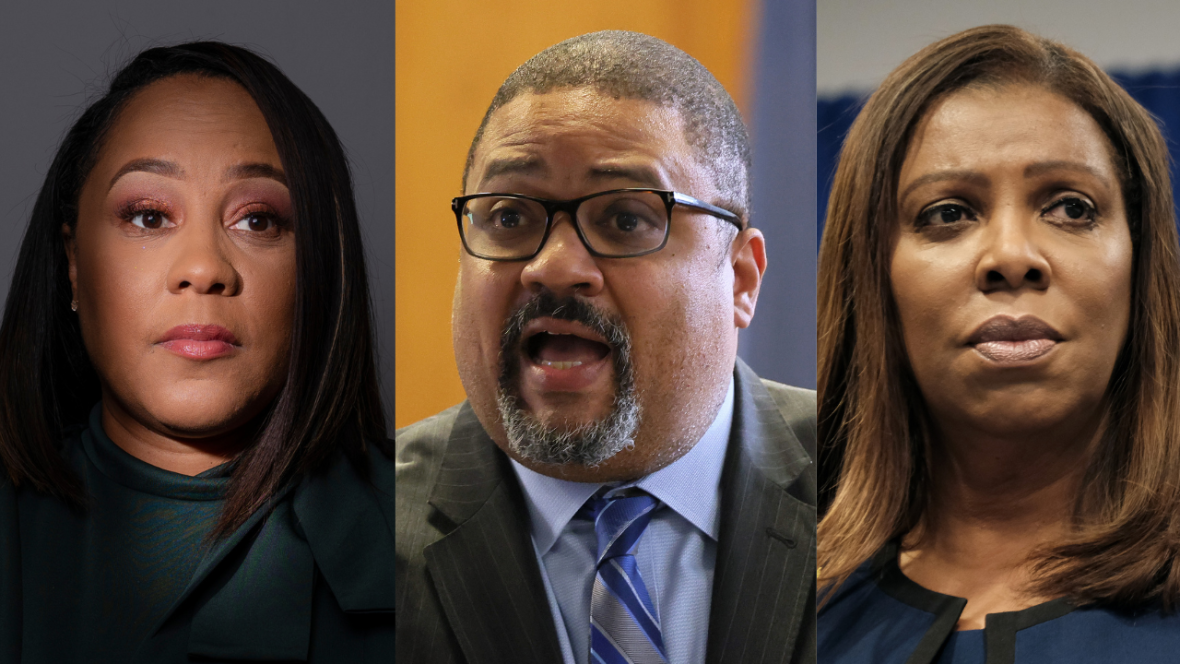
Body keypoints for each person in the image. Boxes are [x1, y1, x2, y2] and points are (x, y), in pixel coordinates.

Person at [395, 30, 816, 664]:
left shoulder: (882, 491)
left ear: (742, 279)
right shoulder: (351, 528)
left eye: (625, 219)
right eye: (510, 216)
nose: (555, 267)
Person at [0, 42, 394, 662]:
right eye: (150, 217)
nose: (205, 269)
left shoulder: (433, 549)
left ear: (320, 268)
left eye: (258, 220)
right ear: (74, 265)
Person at [817, 24, 1180, 664]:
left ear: (1141, 264)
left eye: (1070, 207)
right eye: (948, 213)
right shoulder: (778, 608)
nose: (1012, 257)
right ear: (873, 280)